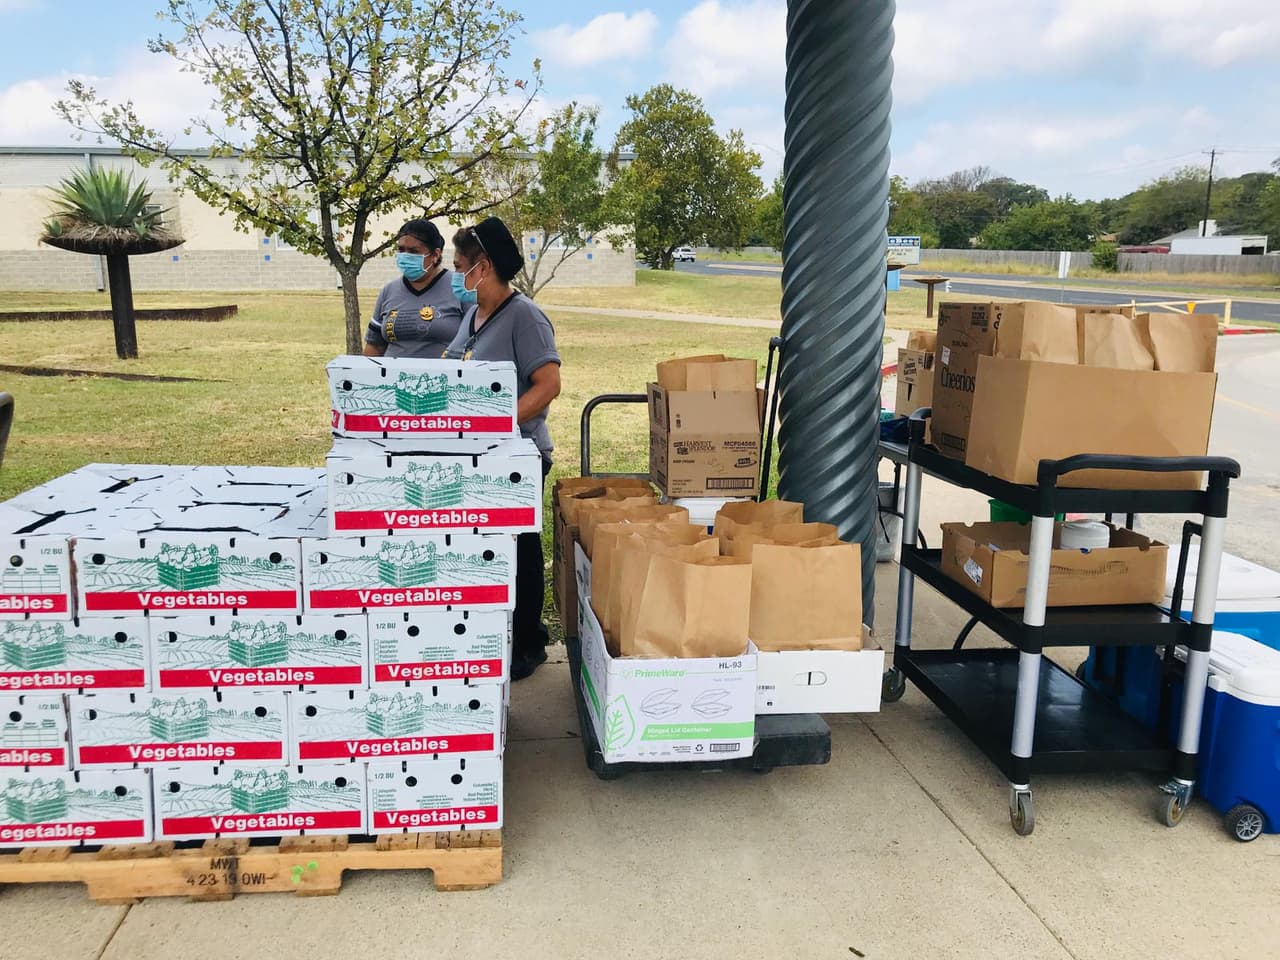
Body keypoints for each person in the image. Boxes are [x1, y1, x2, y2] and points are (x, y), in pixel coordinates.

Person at [445, 216, 561, 681]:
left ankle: (528, 644)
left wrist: (497, 421)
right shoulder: (473, 315)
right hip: (476, 455)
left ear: (483, 267)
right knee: (491, 551)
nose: (454, 276)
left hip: (519, 456)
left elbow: (549, 384)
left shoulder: (525, 316)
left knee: (521, 551)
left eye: (458, 266)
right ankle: (497, 635)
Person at [364, 219, 462, 358]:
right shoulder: (388, 291)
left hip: (443, 377)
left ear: (435, 255)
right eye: (401, 250)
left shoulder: (460, 288)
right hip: (391, 378)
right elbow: (374, 346)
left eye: (413, 251)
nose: (405, 256)